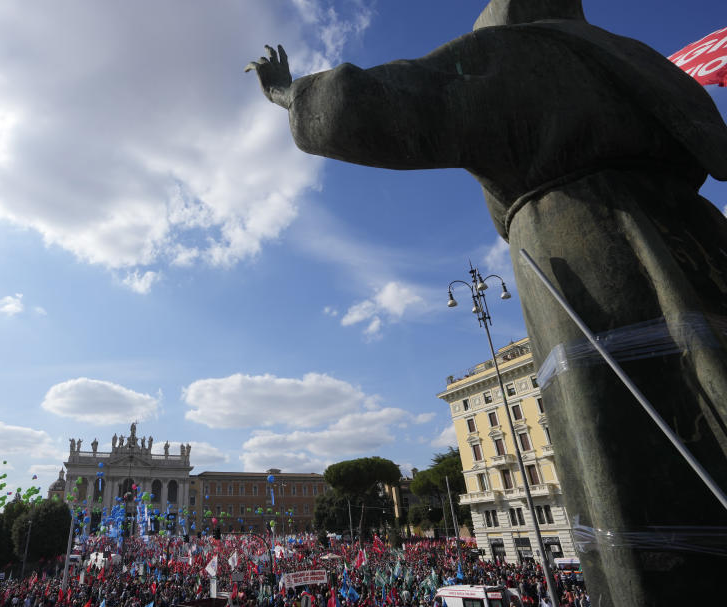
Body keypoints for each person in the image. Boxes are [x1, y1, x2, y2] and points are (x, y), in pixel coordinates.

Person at [247, 1, 727, 604]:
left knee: (634, 485)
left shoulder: (516, 53)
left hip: (585, 254)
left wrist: (289, 93)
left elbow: (357, 107)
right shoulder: (635, 59)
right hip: (700, 250)